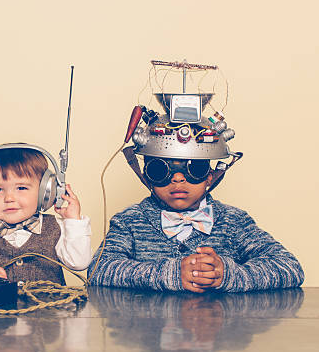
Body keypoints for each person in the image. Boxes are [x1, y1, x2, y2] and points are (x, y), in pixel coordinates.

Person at [89, 97, 304, 292]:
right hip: (150, 330)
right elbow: (99, 269)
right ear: (146, 176)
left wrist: (228, 275)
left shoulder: (234, 221)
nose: (178, 179)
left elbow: (289, 267)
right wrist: (167, 274)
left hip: (219, 330)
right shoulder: (129, 221)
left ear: (210, 176)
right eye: (160, 170)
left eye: (194, 169)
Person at [0, 147, 91, 285]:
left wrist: (73, 221)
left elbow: (79, 263)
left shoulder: (57, 227)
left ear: (45, 193)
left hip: (51, 305)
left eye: (21, 188)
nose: (9, 198)